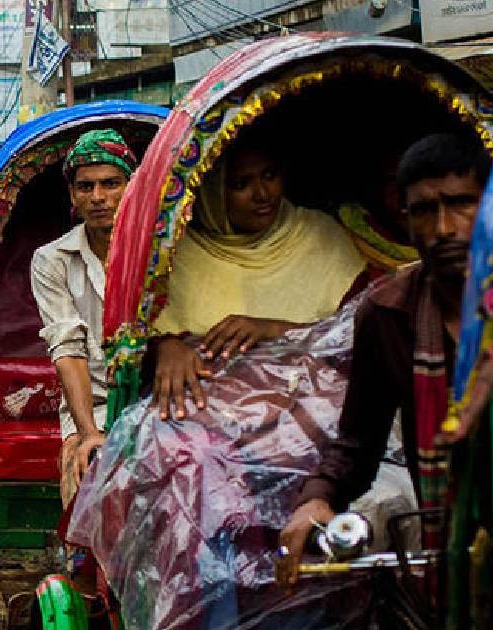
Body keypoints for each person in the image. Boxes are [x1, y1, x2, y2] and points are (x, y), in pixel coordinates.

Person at [277, 133, 493, 590]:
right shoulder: (388, 314)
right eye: (424, 211)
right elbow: (359, 439)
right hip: (457, 543)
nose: (444, 228)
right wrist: (318, 499)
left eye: (460, 204)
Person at [149, 141, 366, 422]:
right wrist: (164, 347)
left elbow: (361, 336)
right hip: (212, 413)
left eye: (269, 176)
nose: (263, 195)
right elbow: (137, 338)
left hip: (317, 408)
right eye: (241, 184)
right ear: (213, 193)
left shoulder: (320, 235)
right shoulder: (175, 253)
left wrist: (274, 330)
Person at [30, 129, 136, 505]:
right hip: (96, 405)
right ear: (73, 195)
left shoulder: (160, 247)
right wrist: (89, 433)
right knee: (85, 475)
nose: (98, 198)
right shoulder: (52, 259)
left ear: (131, 185)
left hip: (158, 398)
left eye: (110, 184)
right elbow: (67, 349)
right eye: (85, 187)